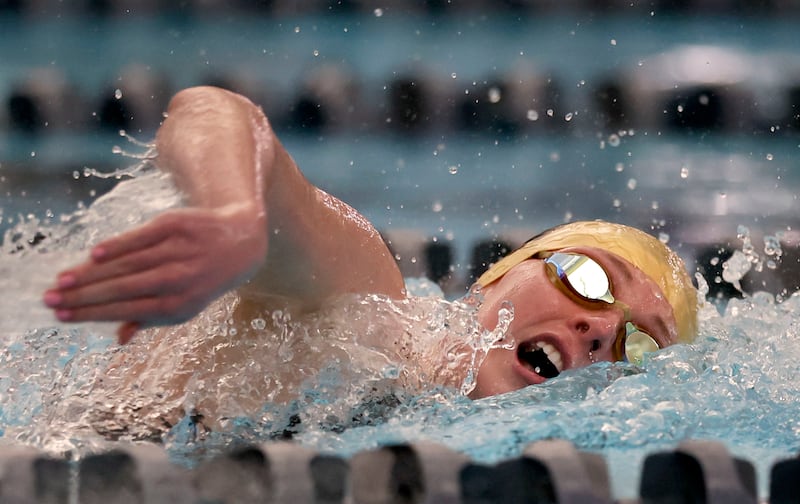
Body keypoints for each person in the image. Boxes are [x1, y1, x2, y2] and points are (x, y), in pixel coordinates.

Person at [42, 86, 698, 406]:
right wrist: (234, 215)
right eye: (589, 279)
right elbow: (214, 111)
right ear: (497, 276)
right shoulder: (365, 310)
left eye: (638, 345)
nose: (601, 327)